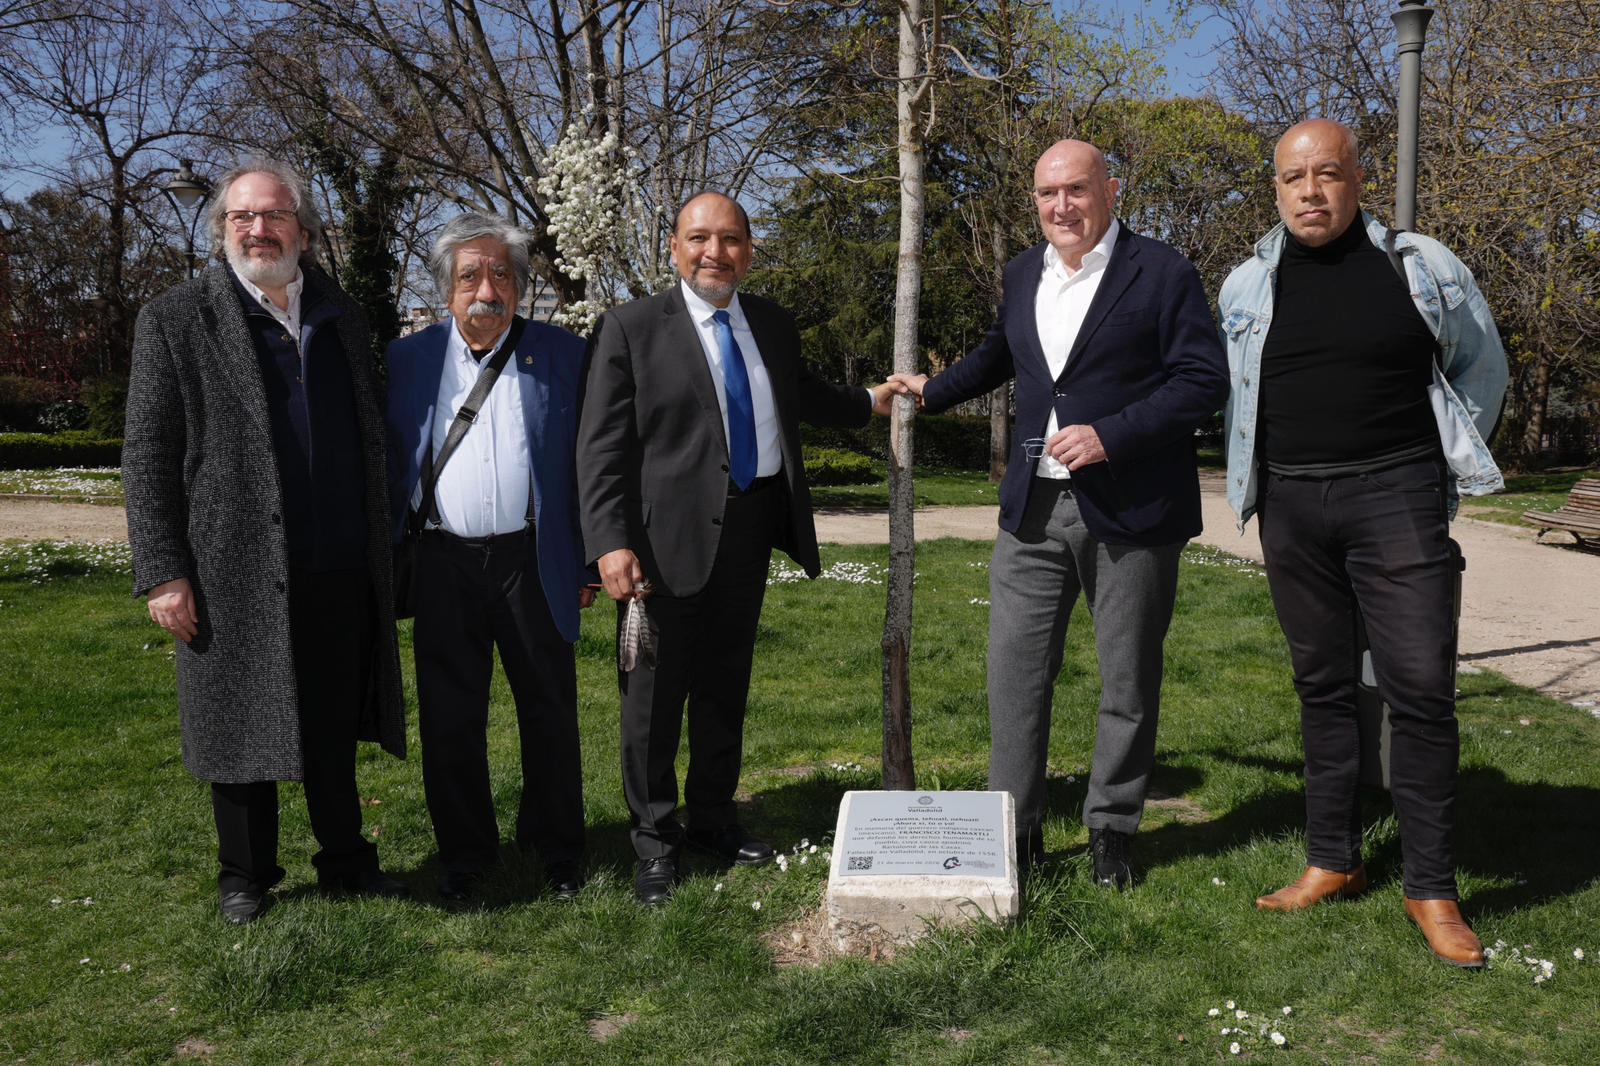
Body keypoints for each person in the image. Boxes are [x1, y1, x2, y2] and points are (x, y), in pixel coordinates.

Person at [891, 140, 1227, 888]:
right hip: (1033, 508)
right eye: (1047, 193)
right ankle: (1015, 831)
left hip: (1133, 510)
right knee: (1014, 675)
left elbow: (1202, 380)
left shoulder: (1162, 271)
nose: (1061, 206)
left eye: (1076, 189)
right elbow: (1000, 354)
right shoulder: (1021, 273)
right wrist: (931, 390)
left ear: (1112, 189)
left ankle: (1112, 830)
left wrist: (1112, 435)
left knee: (1127, 679)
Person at [1218, 119, 1507, 968]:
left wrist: (1441, 467)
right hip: (1292, 503)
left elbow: (1482, 369)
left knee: (1420, 690)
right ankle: (1333, 860)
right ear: (1275, 187)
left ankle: (1432, 887)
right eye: (1293, 177)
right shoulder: (1247, 283)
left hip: (1397, 497)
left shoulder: (1422, 267)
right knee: (1323, 686)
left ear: (1357, 180)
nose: (1311, 191)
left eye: (1328, 174)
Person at [578, 191, 898, 905]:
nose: (714, 253)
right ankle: (654, 842)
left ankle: (713, 819)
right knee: (653, 699)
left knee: (725, 686)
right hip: (660, 547)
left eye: (729, 239)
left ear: (748, 251)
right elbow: (599, 447)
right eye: (699, 238)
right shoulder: (631, 328)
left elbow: (800, 393)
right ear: (673, 247)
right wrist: (609, 542)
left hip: (749, 531)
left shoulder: (772, 325)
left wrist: (868, 400)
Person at [123, 159, 407, 924]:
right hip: (232, 566)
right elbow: (147, 455)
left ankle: (346, 860)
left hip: (339, 560)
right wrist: (164, 572)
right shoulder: (177, 319)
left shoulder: (342, 317)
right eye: (241, 217)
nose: (258, 230)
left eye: (274, 216)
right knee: (239, 722)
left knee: (333, 722)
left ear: (303, 233)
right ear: (222, 230)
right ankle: (245, 875)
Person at [386, 213, 593, 902]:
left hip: (530, 558)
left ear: (521, 287)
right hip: (442, 561)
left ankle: (556, 850)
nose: (487, 289)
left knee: (549, 709)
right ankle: (466, 856)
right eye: (470, 275)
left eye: (502, 274)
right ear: (446, 289)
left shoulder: (562, 354)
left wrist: (586, 559)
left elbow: (588, 464)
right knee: (449, 716)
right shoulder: (406, 361)